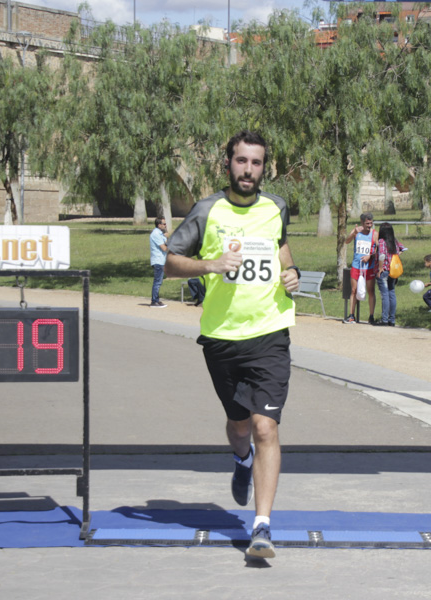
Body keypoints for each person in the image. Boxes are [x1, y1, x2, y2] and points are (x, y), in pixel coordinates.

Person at [164, 131, 300, 560]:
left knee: (266, 427)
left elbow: (280, 247)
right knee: (240, 425)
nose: (248, 170)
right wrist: (211, 264)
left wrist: (291, 272)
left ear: (264, 167)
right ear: (228, 164)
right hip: (222, 337)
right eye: (241, 161)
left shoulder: (276, 206)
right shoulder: (208, 210)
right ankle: (241, 461)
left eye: (256, 163)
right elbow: (169, 262)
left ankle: (262, 527)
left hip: (270, 333)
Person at [344, 213, 378, 324]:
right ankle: (351, 315)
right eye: (367, 223)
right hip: (356, 266)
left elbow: (378, 249)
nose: (369, 225)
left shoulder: (374, 234)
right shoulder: (356, 232)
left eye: (371, 223)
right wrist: (353, 232)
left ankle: (371, 316)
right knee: (353, 291)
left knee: (371, 291)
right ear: (362, 222)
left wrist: (370, 256)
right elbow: (347, 241)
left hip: (369, 267)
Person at [375, 222, 406, 326]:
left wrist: (380, 268)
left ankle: (384, 319)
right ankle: (391, 320)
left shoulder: (382, 241)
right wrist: (397, 254)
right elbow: (403, 248)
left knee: (385, 295)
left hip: (384, 271)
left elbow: (382, 256)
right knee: (392, 293)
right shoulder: (394, 241)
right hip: (393, 271)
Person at [148, 217, 168, 308]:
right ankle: (154, 301)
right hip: (158, 261)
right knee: (157, 282)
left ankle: (156, 300)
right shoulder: (156, 234)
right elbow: (164, 248)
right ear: (159, 225)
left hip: (161, 260)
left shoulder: (160, 234)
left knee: (159, 281)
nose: (165, 225)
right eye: (163, 224)